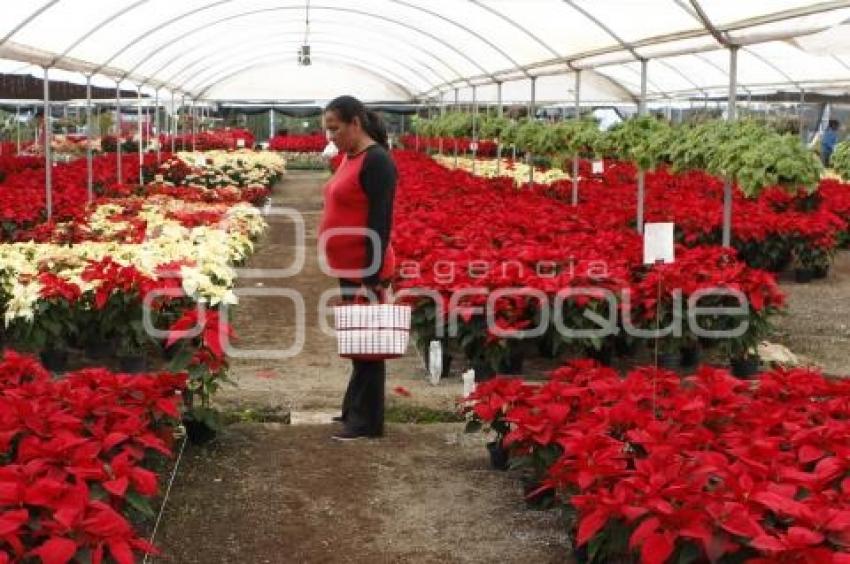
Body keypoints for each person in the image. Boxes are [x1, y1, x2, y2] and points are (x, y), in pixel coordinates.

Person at [318, 95, 397, 441]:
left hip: (366, 267)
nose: (330, 136)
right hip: (349, 266)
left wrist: (373, 276)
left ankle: (366, 423)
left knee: (368, 343)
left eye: (335, 129)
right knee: (359, 338)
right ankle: (354, 410)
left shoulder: (377, 160)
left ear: (355, 123)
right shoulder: (351, 157)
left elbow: (380, 222)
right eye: (327, 130)